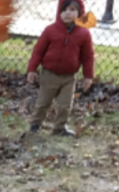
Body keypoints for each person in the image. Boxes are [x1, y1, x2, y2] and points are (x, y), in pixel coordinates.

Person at [26, 0, 96, 136]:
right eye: (64, 10)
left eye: (72, 10)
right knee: (43, 101)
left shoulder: (84, 34)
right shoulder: (50, 30)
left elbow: (88, 56)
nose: (67, 13)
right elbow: (38, 50)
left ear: (80, 13)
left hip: (69, 77)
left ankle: (59, 128)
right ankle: (35, 124)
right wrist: (32, 69)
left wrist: (88, 76)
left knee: (65, 105)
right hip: (49, 74)